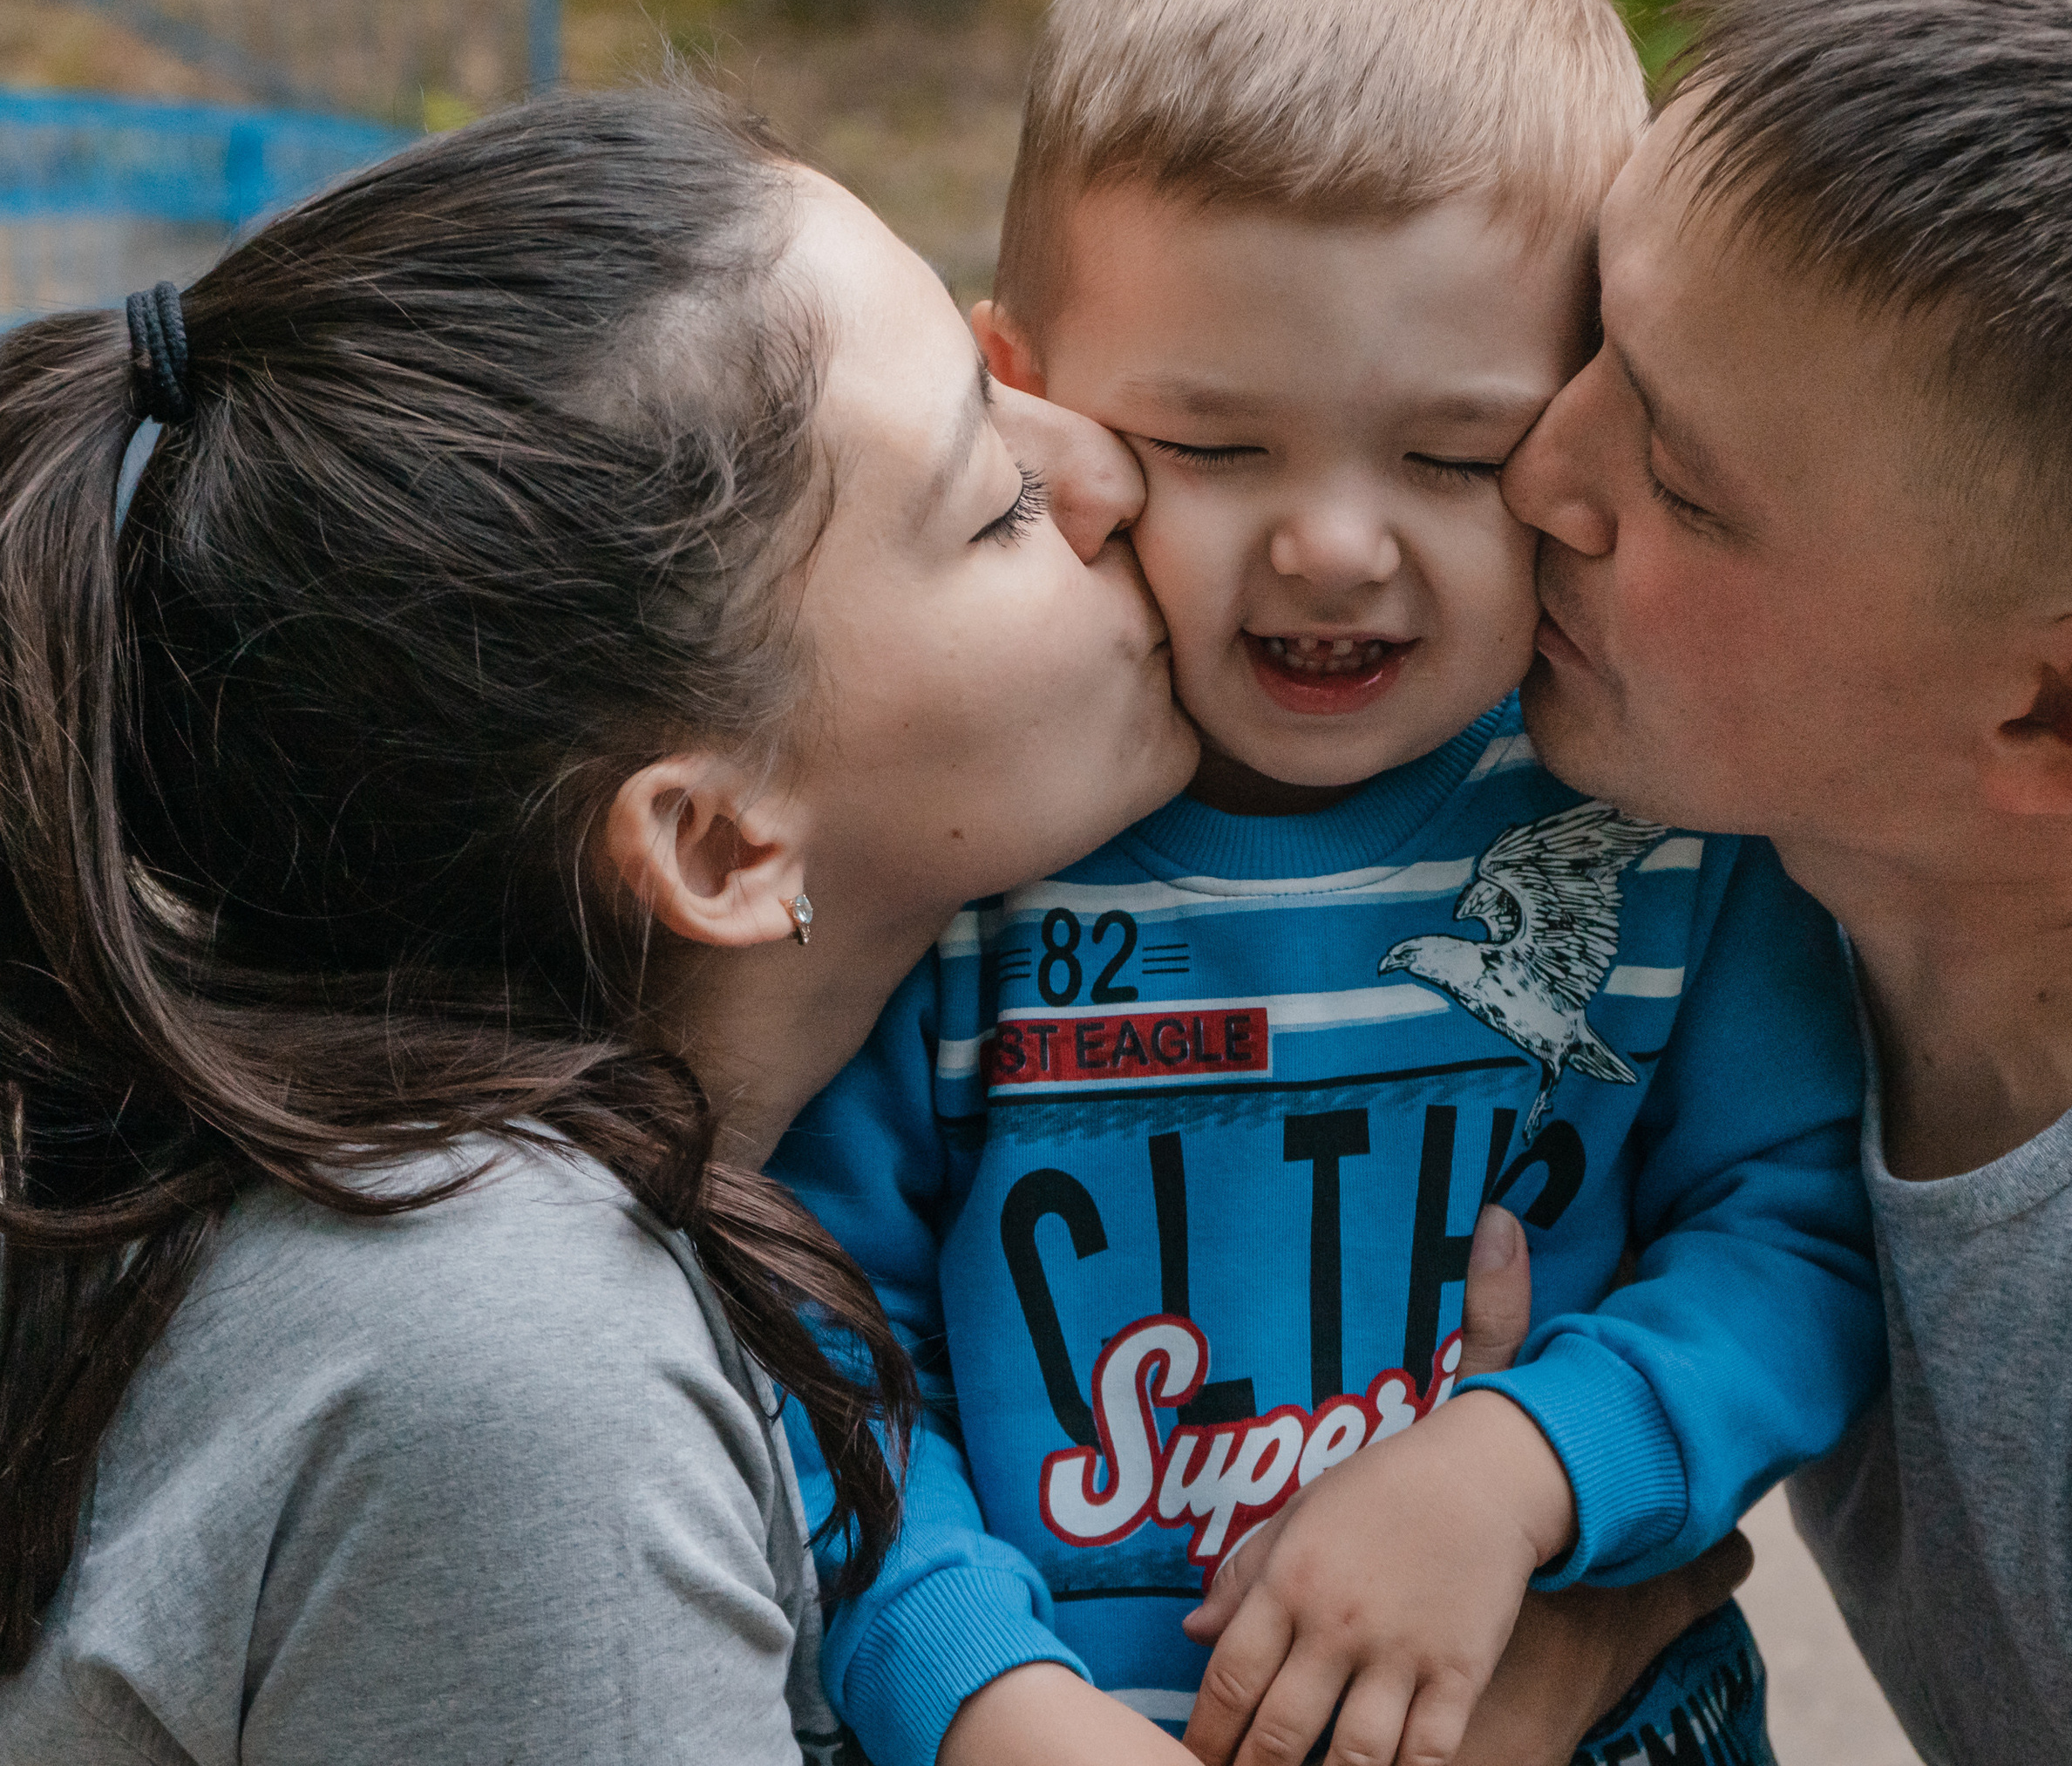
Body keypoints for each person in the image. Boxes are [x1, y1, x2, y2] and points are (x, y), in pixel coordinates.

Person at [770, 0, 1882, 1766]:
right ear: (1025, 398)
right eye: (1212, 444)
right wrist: (978, 1696)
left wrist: (1522, 1463)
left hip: (1592, 1715)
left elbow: (1796, 1234)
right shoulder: (961, 834)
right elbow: (813, 1320)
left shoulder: (1658, 827)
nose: (1335, 547)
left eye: (1454, 456)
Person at [0, 88, 1201, 1764]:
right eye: (994, 498)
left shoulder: (426, 1220)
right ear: (716, 844)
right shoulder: (510, 1342)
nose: (1111, 472)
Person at [1500, 0, 2072, 1763]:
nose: (1534, 468)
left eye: (1676, 479)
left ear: (2058, 713)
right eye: (1588, 331)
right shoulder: (1763, 840)